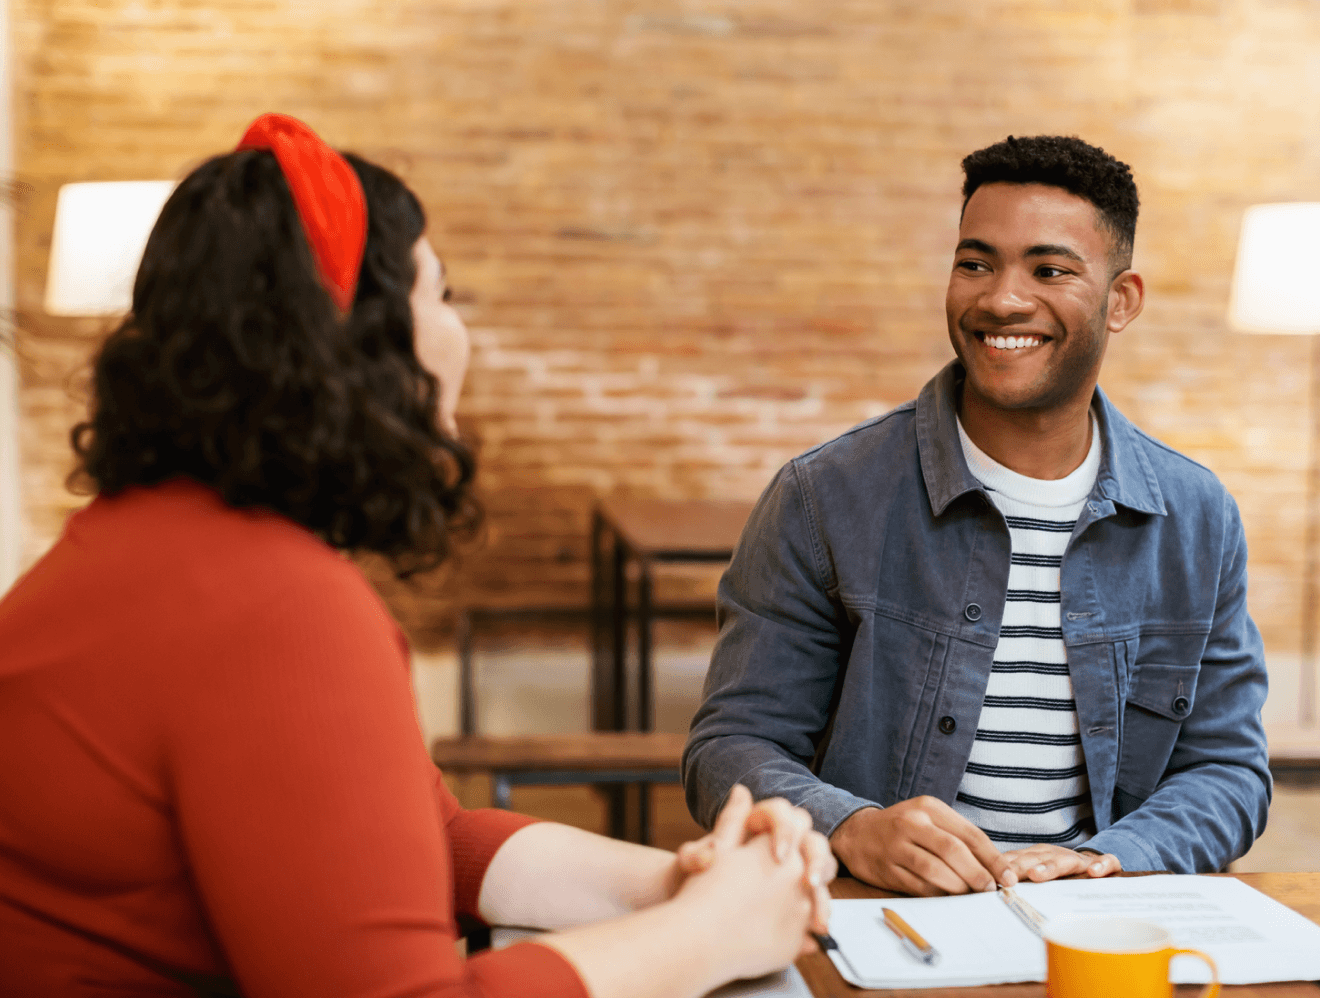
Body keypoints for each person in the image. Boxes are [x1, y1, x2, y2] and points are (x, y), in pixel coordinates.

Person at [0, 114, 835, 998]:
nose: (456, 333)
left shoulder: (155, 548)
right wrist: (704, 937)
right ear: (359, 343)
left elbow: (424, 835)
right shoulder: (274, 608)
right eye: (440, 295)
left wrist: (671, 883)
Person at [683, 135, 1271, 894]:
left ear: (1120, 301)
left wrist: (1113, 855)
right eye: (976, 263)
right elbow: (730, 747)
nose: (1001, 298)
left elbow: (1226, 768)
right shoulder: (821, 497)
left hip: (1098, 924)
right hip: (880, 919)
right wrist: (851, 828)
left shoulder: (1196, 518)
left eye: (1049, 269)